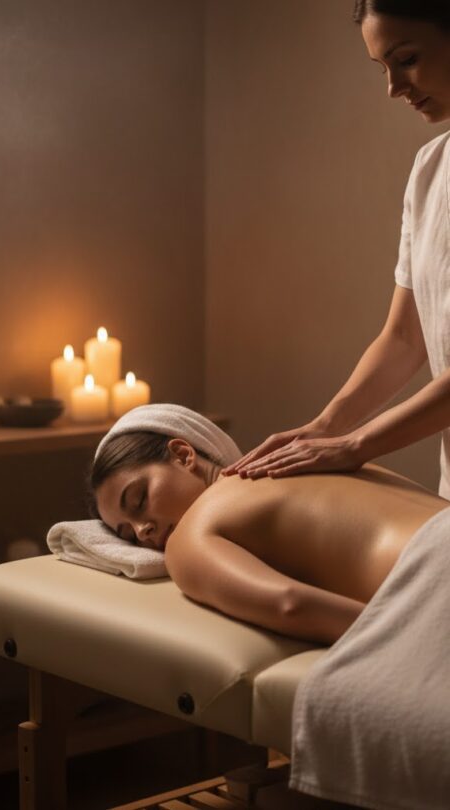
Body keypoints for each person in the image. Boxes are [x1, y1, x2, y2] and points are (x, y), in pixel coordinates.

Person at [223, 0, 450, 494]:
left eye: (407, 59)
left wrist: (356, 445)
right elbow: (405, 336)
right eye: (383, 67)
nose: (393, 88)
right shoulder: (431, 169)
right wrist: (325, 427)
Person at [90, 405, 448, 646]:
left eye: (138, 500)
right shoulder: (308, 458)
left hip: (434, 578)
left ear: (184, 455)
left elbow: (291, 605)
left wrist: (413, 642)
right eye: (127, 534)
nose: (142, 532)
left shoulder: (189, 537)